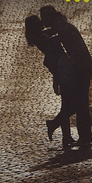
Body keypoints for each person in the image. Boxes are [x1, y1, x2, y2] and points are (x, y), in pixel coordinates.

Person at [40, 6, 92, 148]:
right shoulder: (62, 26)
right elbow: (56, 33)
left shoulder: (64, 28)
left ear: (49, 17)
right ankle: (85, 137)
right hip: (83, 66)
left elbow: (59, 38)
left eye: (44, 18)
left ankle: (82, 136)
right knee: (81, 103)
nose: (43, 21)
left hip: (82, 68)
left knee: (81, 103)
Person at [24, 15, 77, 148]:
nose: (41, 23)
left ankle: (66, 136)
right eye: (38, 22)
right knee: (71, 105)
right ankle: (55, 125)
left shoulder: (41, 36)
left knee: (66, 105)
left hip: (61, 68)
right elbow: (54, 42)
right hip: (61, 70)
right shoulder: (41, 39)